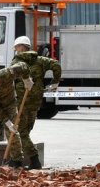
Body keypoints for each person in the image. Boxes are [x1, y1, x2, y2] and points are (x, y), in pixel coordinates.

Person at [11, 36, 62, 169]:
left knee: (21, 133)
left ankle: (33, 160)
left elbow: (10, 80)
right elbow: (56, 65)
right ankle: (17, 159)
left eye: (16, 48)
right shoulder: (40, 60)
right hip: (36, 101)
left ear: (20, 47)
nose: (16, 50)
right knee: (26, 130)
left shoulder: (17, 62)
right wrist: (55, 81)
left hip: (22, 101)